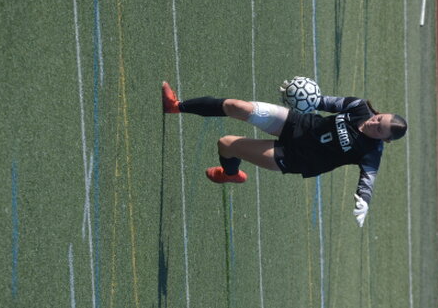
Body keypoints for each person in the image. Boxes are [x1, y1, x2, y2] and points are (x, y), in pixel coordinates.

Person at [161, 81, 408, 227]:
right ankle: (176, 106)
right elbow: (322, 102)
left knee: (226, 144)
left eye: (379, 129)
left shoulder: (371, 152)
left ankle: (230, 173)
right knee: (235, 106)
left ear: (384, 139)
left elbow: (367, 181)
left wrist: (364, 201)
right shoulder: (359, 107)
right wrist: (300, 94)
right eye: (379, 119)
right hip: (299, 125)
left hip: (296, 156)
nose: (374, 123)